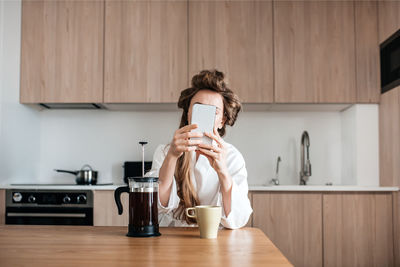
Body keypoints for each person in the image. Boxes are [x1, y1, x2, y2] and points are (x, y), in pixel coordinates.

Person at [145, 69, 252, 229]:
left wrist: (223, 171)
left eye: (213, 112)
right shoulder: (165, 151)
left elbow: (237, 220)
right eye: (198, 109)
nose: (204, 117)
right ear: (188, 112)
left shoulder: (232, 157)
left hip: (215, 238)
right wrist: (172, 157)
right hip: (173, 239)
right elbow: (155, 207)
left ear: (222, 120)